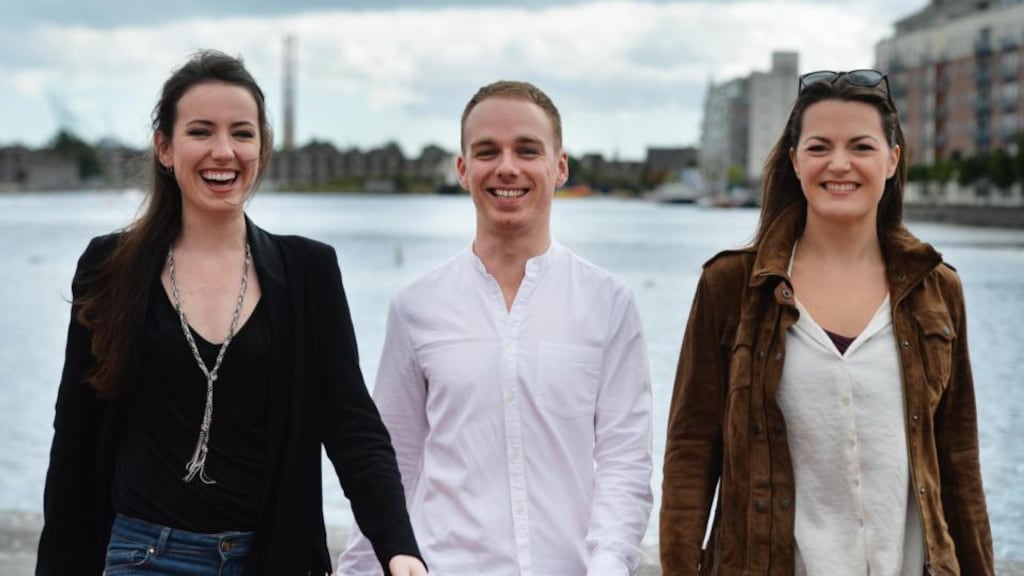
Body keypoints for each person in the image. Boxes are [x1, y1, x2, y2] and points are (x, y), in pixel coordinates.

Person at [36, 50, 427, 576]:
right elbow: (75, 441)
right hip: (141, 557)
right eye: (200, 132)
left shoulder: (308, 270)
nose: (224, 151)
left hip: (271, 558)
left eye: (242, 134)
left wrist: (398, 547)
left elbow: (352, 425)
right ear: (165, 149)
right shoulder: (109, 266)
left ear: (262, 149)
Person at [660, 69, 994, 575]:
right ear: (795, 162)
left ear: (892, 159)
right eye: (819, 147)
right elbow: (689, 458)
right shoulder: (731, 286)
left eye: (861, 146)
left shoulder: (937, 289)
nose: (840, 164)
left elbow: (959, 461)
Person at [337, 80, 654, 575]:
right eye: (488, 151)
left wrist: (609, 564)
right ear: (463, 170)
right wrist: (361, 569)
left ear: (559, 166)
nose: (507, 167)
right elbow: (393, 463)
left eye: (527, 150)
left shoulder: (608, 303)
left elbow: (624, 460)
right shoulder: (416, 307)